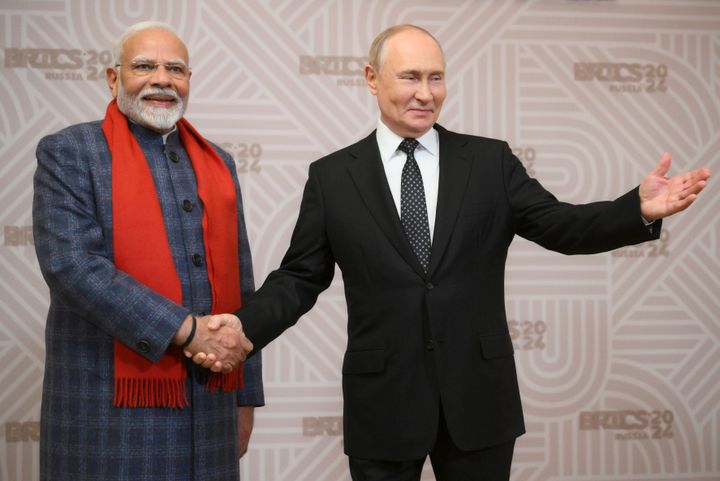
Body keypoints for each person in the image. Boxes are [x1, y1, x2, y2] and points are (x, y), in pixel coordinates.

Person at [198, 24, 710, 481]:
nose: (426, 93)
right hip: (383, 400)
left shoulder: (490, 162)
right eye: (411, 77)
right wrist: (245, 328)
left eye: (436, 78)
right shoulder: (333, 176)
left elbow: (563, 227)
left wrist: (638, 209)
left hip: (480, 399)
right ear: (372, 79)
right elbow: (300, 277)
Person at [32, 21, 260, 481]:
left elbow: (241, 281)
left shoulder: (219, 163)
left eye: (175, 68)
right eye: (144, 66)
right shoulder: (71, 151)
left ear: (189, 81)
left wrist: (245, 396)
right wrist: (186, 329)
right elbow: (74, 267)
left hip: (211, 407)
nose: (162, 79)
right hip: (107, 411)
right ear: (113, 78)